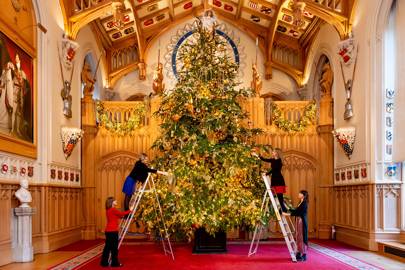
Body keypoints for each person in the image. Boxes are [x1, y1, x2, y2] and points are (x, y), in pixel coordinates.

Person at [100, 196, 131, 267]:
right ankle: (115, 263)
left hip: (108, 231)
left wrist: (122, 216)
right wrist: (130, 210)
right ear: (112, 202)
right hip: (113, 231)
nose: (116, 201)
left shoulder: (108, 210)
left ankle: (104, 262)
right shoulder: (113, 209)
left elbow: (117, 216)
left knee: (107, 247)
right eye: (115, 200)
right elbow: (121, 214)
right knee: (114, 248)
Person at [254, 148, 288, 212]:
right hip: (274, 178)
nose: (272, 153)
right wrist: (257, 155)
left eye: (274, 152)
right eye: (273, 152)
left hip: (278, 179)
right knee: (275, 195)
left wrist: (266, 174)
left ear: (277, 153)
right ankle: (280, 209)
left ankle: (283, 209)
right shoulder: (273, 160)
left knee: (280, 196)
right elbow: (265, 159)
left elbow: (274, 169)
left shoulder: (279, 161)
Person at [283, 190, 308, 262]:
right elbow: (296, 210)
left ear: (303, 195)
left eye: (300, 193)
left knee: (302, 237)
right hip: (298, 221)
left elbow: (298, 213)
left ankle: (304, 255)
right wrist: (288, 208)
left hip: (302, 222)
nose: (298, 194)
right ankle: (299, 252)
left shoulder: (304, 203)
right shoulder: (300, 202)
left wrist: (287, 214)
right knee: (298, 236)